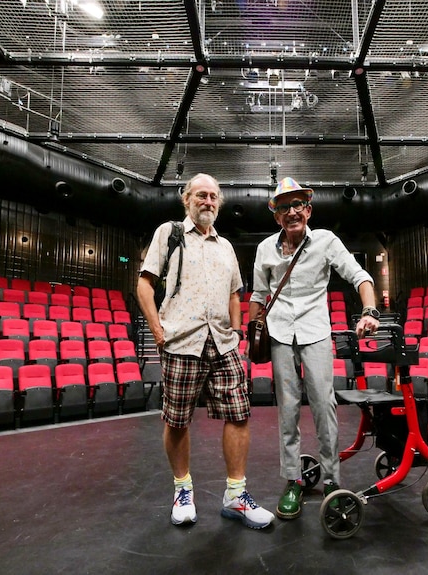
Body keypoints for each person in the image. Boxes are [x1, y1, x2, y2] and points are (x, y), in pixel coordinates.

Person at [137, 173, 274, 530]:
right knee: (177, 419)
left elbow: (234, 292)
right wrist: (157, 329)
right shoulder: (169, 233)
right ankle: (183, 491)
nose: (208, 201)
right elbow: (144, 284)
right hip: (181, 341)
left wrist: (237, 327)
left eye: (214, 196)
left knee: (240, 414)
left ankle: (235, 496)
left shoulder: (225, 246)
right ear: (187, 199)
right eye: (201, 195)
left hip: (223, 343)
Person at [249, 176, 381, 520]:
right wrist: (251, 330)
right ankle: (292, 480)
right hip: (278, 334)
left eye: (297, 205)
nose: (291, 212)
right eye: (283, 207)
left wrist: (369, 311)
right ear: (276, 216)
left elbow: (359, 276)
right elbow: (258, 296)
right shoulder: (265, 249)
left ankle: (332, 481)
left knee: (325, 406)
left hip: (316, 332)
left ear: (307, 210)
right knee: (288, 410)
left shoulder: (325, 241)